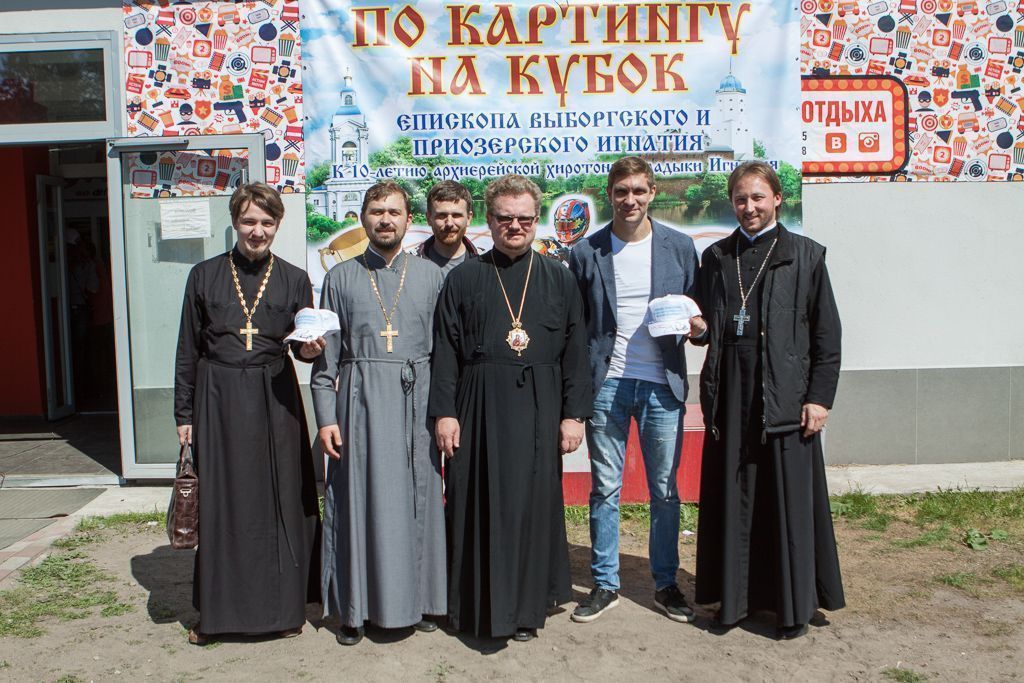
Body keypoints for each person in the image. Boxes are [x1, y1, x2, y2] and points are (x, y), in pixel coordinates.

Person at [429, 174, 592, 642]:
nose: (514, 226)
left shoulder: (559, 278)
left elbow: (575, 351)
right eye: (505, 218)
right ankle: (474, 605)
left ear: (537, 220)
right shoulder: (464, 278)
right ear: (489, 219)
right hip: (478, 403)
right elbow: (445, 350)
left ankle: (525, 609)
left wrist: (573, 415)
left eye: (524, 218)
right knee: (475, 500)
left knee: (531, 506)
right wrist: (445, 412)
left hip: (541, 405)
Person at [692, 161, 844, 640]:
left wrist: (819, 399)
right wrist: (697, 328)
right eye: (741, 198)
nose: (749, 207)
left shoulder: (805, 255)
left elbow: (827, 335)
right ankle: (733, 603)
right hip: (731, 397)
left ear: (777, 198)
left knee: (785, 504)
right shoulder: (717, 257)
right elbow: (706, 322)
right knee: (735, 499)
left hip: (786, 397)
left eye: (758, 197)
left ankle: (790, 609)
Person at [174, 183, 323, 645]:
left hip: (275, 397)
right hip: (217, 399)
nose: (257, 231)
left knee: (280, 501)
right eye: (249, 222)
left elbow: (303, 345)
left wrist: (312, 350)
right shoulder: (204, 275)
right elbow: (187, 348)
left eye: (267, 223)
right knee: (223, 503)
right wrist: (184, 413)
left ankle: (283, 610)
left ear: (278, 225)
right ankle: (217, 616)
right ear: (235, 222)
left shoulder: (295, 278)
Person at [567, 156, 704, 624]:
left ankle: (666, 583)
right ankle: (605, 583)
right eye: (621, 191)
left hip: (662, 385)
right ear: (609, 194)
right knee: (605, 488)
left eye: (639, 191)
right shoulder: (587, 251)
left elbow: (698, 317)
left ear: (652, 193)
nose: (630, 200)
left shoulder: (680, 247)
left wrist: (699, 328)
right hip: (607, 384)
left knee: (664, 490)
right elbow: (576, 326)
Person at [312, 181, 447, 646]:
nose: (385, 219)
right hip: (359, 406)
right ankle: (356, 609)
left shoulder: (431, 276)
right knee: (359, 503)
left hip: (417, 403)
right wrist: (325, 418)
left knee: (418, 500)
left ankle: (423, 601)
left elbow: (446, 355)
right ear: (363, 218)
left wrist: (444, 412)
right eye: (376, 211)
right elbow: (326, 360)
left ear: (409, 220)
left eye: (394, 212)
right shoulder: (340, 278)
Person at [414, 180, 479, 276]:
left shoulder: (485, 264)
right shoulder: (411, 265)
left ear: (468, 218)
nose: (449, 223)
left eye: (456, 215)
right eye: (442, 215)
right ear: (429, 219)